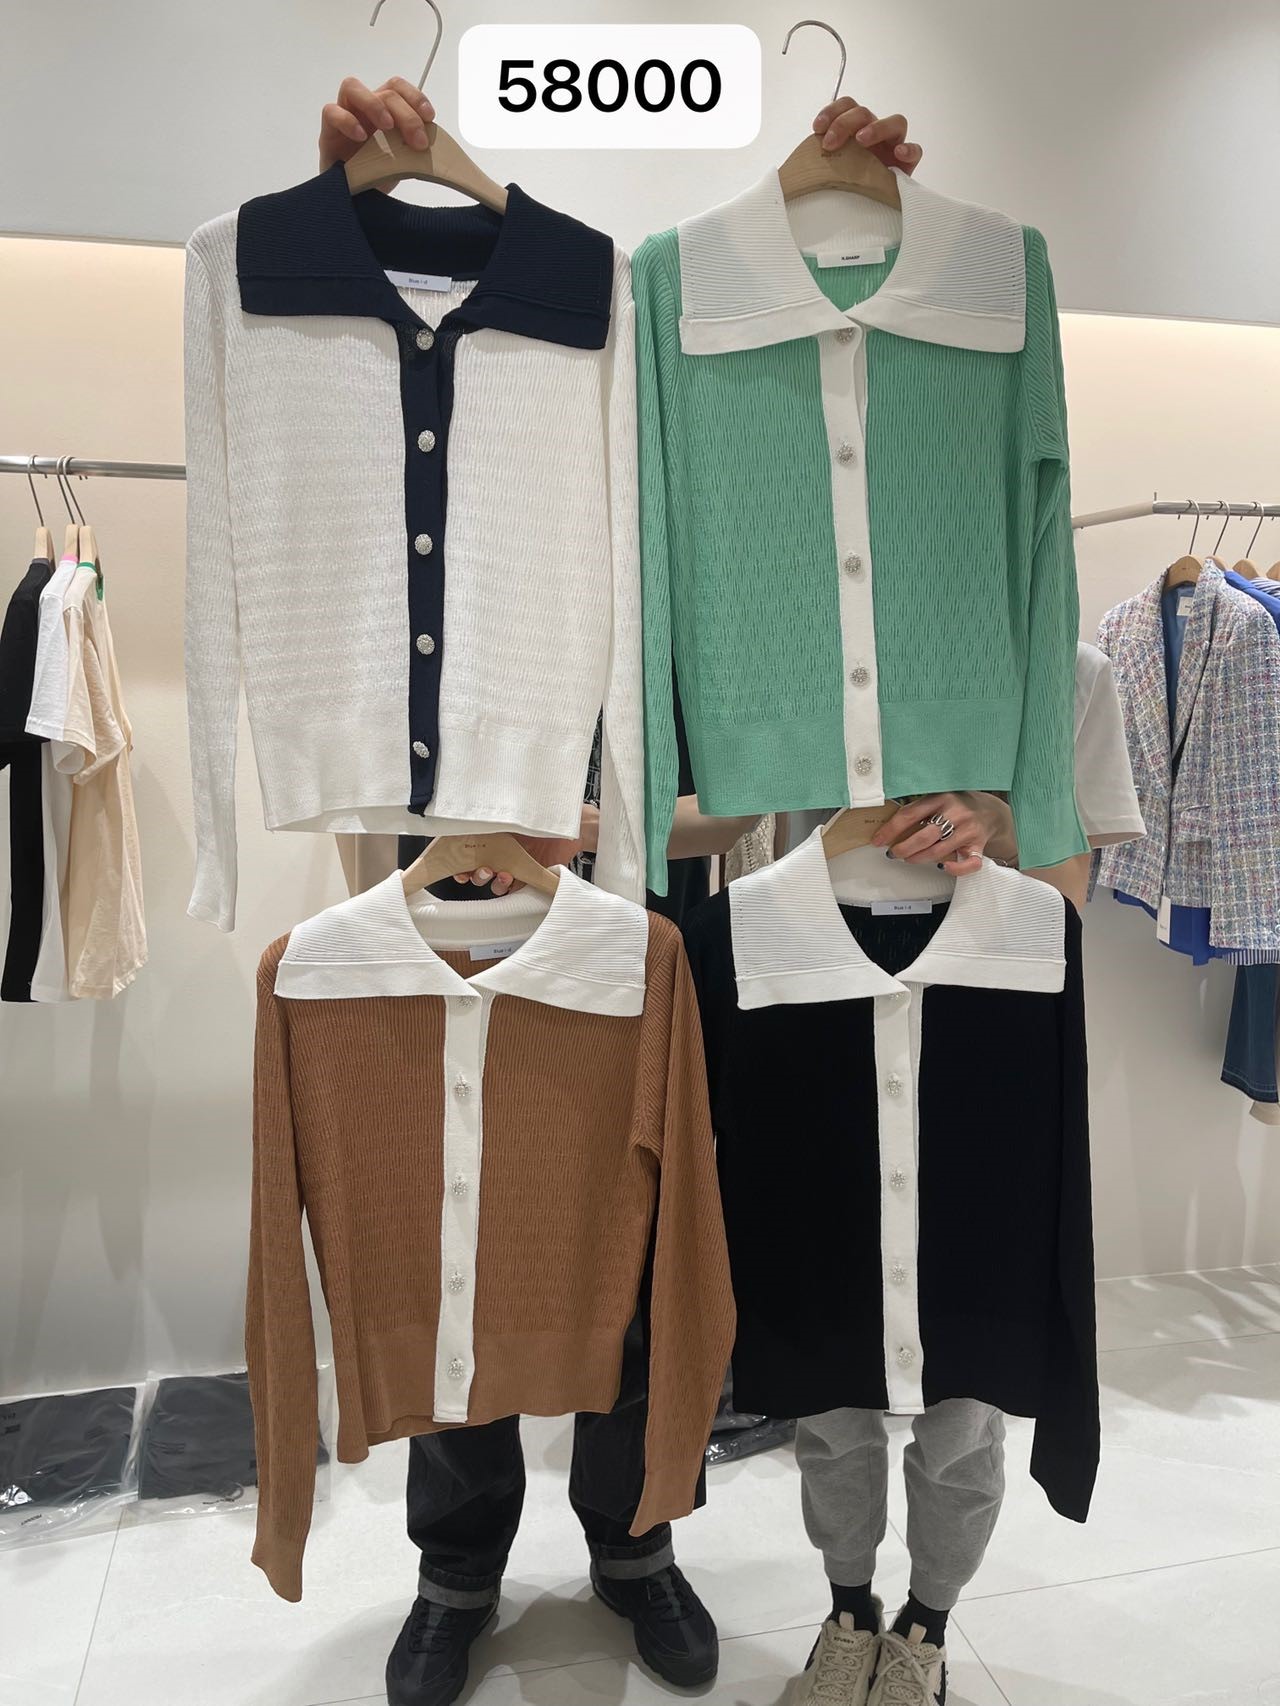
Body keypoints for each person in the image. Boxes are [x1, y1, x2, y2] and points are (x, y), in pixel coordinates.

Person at [314, 78, 925, 1706]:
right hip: (462, 913)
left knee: (646, 1237)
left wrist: (635, 812)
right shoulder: (461, 490)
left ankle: (637, 1537)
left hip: (662, 926)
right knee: (463, 1220)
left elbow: (741, 742)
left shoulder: (676, 479)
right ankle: (457, 1562)